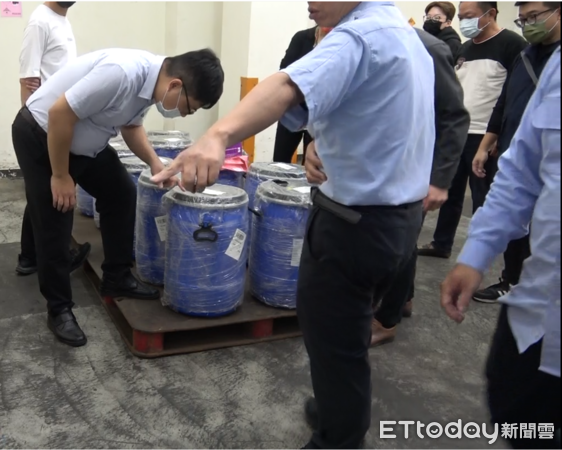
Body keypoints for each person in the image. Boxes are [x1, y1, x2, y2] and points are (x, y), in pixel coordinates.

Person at [153, 2, 435, 447]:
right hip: (396, 219)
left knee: (334, 337)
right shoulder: (404, 36)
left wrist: (217, 135)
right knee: (344, 331)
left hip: (355, 224)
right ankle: (336, 409)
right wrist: (326, 142)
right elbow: (379, 116)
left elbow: (286, 85)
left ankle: (338, 438)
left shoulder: (358, 37)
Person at [11, 47, 224, 348]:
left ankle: (117, 276)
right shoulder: (122, 73)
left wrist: (155, 164)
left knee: (121, 193)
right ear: (176, 85)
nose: (183, 114)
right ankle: (59, 309)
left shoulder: (151, 87)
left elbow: (131, 126)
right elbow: (60, 114)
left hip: (83, 145)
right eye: (189, 108)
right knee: (56, 218)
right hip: (41, 134)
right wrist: (60, 175)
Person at [441, 45, 560, 449]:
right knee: (515, 414)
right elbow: (522, 169)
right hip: (540, 307)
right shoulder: (555, 66)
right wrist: (476, 254)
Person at [370, 27, 470, 347]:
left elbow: (454, 117)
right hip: (385, 162)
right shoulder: (362, 41)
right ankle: (404, 299)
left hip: (418, 166)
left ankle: (386, 320)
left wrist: (440, 180)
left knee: (400, 241)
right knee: (400, 239)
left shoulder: (427, 48)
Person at [418, 1, 528, 259]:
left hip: (485, 135)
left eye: (470, 16)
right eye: (461, 17)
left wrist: (497, 136)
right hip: (460, 132)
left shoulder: (513, 44)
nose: (464, 22)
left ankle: (478, 254)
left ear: (491, 14)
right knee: (450, 192)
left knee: (483, 198)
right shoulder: (465, 48)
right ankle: (441, 243)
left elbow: (513, 94)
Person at [471, 1, 560, 304]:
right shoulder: (525, 55)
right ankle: (510, 280)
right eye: (523, 20)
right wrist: (485, 145)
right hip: (515, 153)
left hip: (551, 161)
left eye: (534, 16)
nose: (528, 25)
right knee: (515, 216)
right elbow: (504, 102)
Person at [17, 1, 90, 276]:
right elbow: (28, 80)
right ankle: (56, 258)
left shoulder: (61, 20)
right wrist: (36, 129)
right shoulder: (41, 21)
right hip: (45, 124)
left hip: (58, 121)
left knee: (40, 193)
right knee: (57, 194)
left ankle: (29, 257)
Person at [272, 26, 331, 164]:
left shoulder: (340, 42)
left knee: (311, 164)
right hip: (293, 108)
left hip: (319, 114)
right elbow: (284, 71)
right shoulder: (302, 38)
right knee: (280, 161)